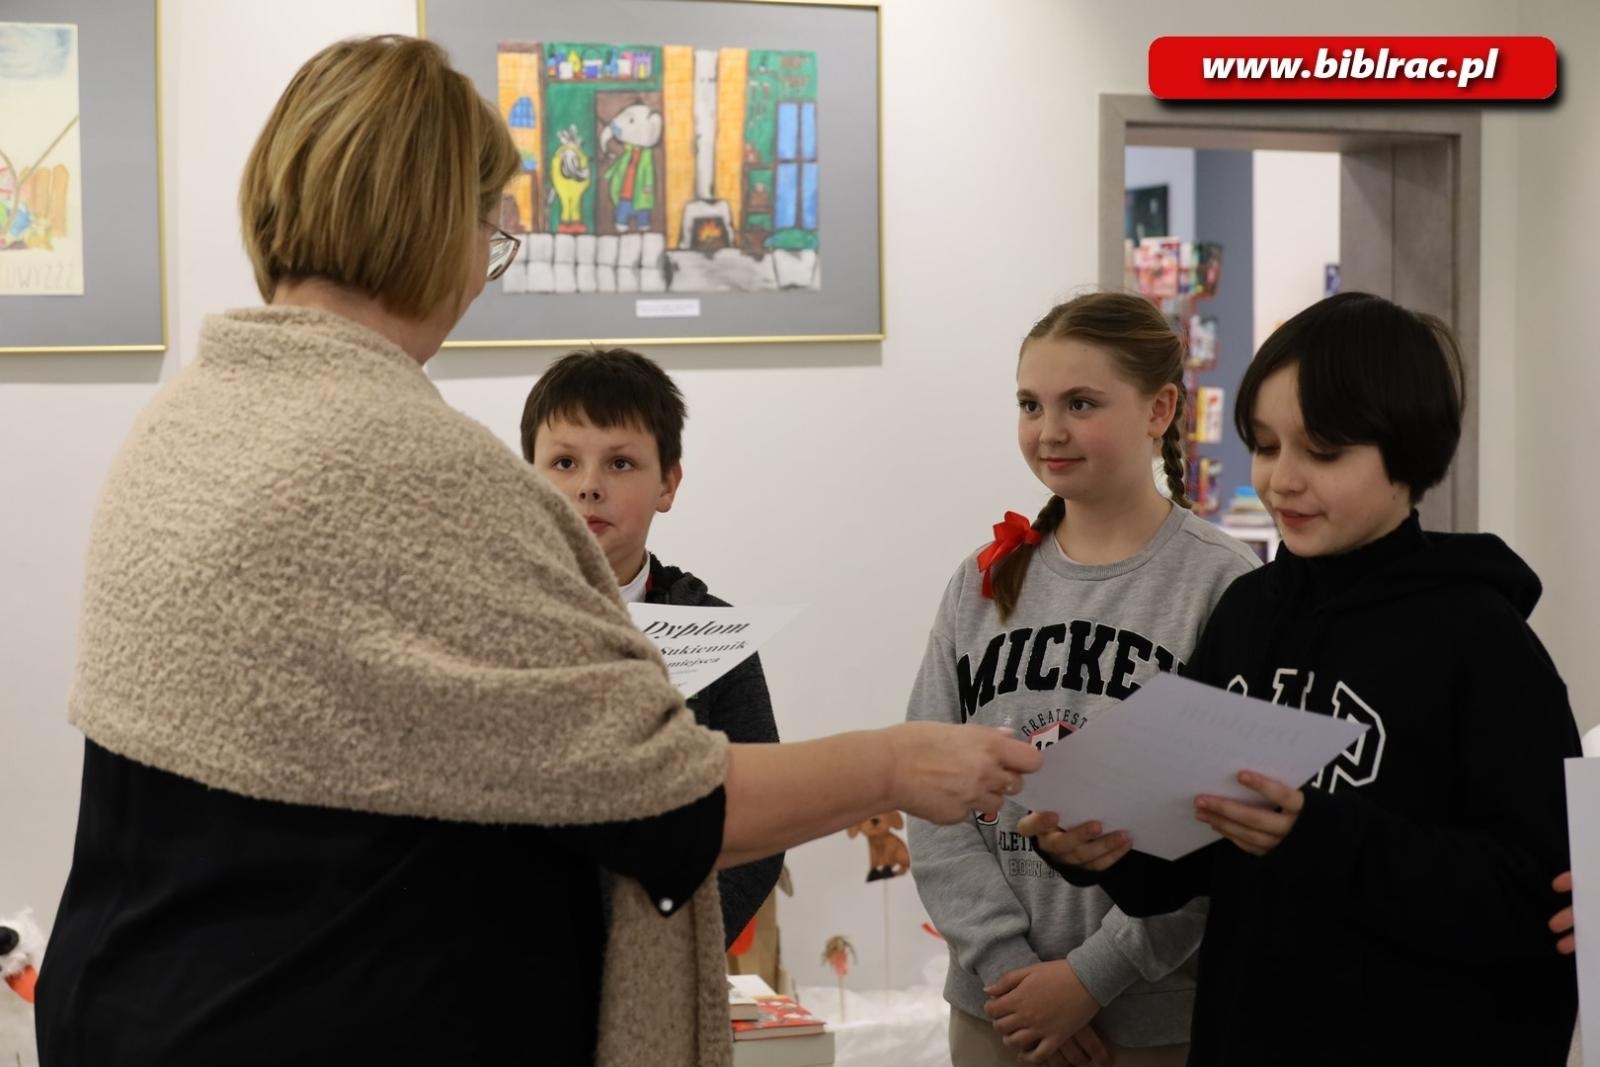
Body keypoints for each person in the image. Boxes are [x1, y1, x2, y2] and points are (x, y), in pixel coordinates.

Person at [33, 36, 1041, 1067]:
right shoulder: (417, 467)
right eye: (490, 229)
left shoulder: (185, 423)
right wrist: (893, 760)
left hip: (135, 998)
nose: (483, 265)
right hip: (328, 1016)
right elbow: (658, 796)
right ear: (432, 222)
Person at [1023, 292, 1580, 1066]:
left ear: (1407, 452)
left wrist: (1316, 834)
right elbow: (1195, 855)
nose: (1281, 480)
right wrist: (1103, 843)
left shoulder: (1481, 639)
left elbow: (1535, 899)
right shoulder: (1250, 609)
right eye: (1266, 445)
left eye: (1321, 452)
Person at [906, 293, 1258, 1067]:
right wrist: (1009, 970)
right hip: (1000, 1014)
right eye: (1030, 404)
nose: (1049, 430)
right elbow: (930, 793)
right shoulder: (984, 579)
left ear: (1159, 408)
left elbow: (1227, 825)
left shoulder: (1226, 585)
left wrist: (1090, 978)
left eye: (1081, 403)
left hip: (1154, 1017)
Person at [520, 347, 783, 946]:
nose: (588, 487)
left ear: (668, 483)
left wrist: (668, 949)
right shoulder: (483, 627)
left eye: (619, 464)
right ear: (525, 482)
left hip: (667, 962)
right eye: (563, 462)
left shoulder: (718, 634)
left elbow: (759, 826)